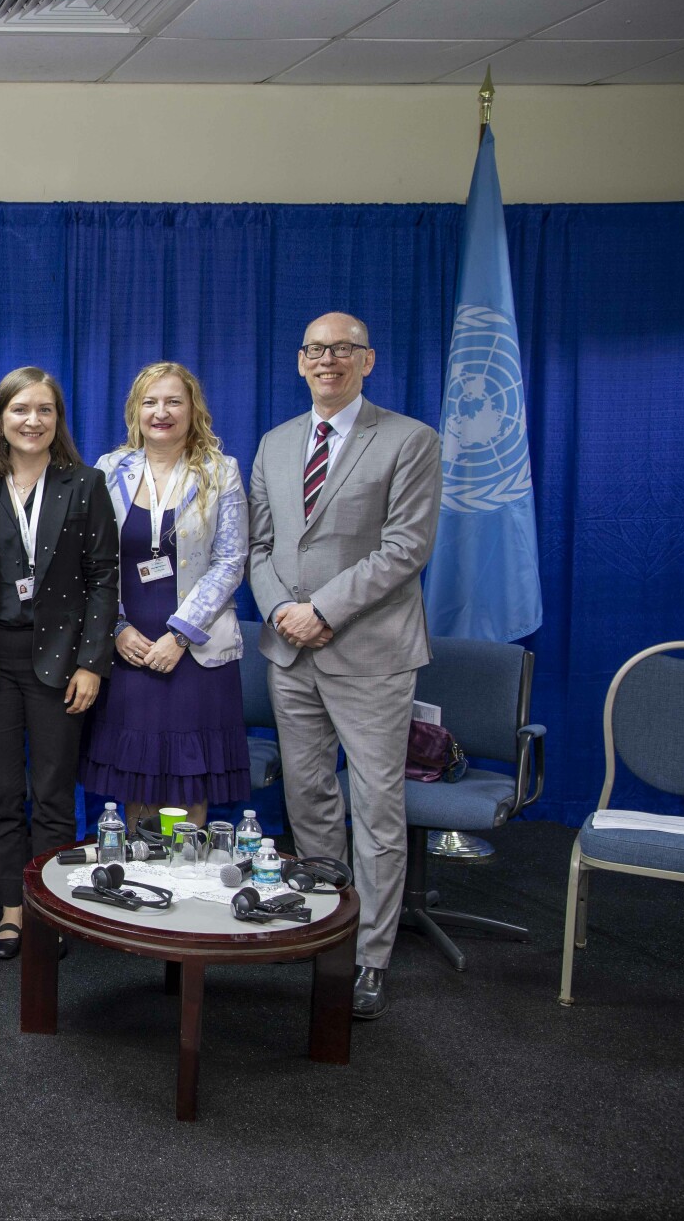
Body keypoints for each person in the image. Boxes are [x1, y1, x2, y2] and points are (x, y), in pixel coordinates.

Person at [249, 313, 441, 1021]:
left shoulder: (410, 440)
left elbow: (405, 547)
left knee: (377, 809)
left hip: (370, 654)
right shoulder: (274, 444)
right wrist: (281, 611)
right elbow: (259, 547)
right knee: (309, 801)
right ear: (301, 362)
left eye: (342, 349)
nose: (327, 359)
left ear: (368, 359)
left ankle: (369, 957)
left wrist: (322, 610)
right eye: (315, 350)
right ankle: (324, 931)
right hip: (289, 651)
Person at [0, 367, 118, 961]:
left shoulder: (85, 484)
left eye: (45, 410)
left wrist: (93, 663)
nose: (32, 421)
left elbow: (104, 579)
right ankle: (12, 911)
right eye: (20, 410)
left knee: (54, 794)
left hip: (62, 662)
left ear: (58, 420)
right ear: (0, 419)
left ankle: (49, 910)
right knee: (2, 793)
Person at [83, 362, 251, 835]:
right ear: (135, 411)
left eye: (174, 401)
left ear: (193, 409)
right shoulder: (109, 469)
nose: (162, 412)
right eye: (151, 402)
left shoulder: (222, 472)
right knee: (136, 778)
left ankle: (186, 871)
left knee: (188, 781)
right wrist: (116, 629)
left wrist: (179, 636)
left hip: (196, 650)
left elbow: (231, 561)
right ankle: (138, 873)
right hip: (127, 647)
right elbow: (91, 559)